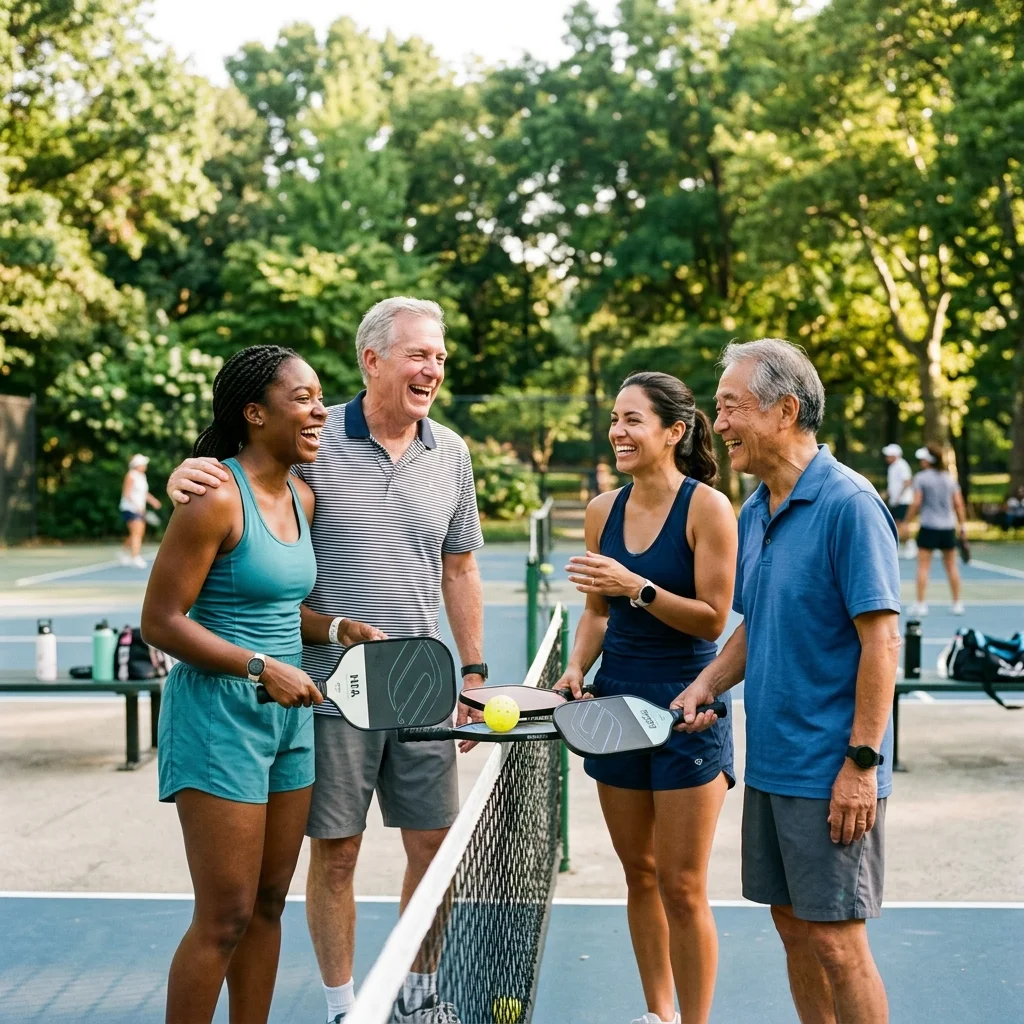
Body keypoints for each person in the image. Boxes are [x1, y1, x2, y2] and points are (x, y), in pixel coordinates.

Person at [166, 297, 485, 1024]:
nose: (432, 367)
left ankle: (418, 992)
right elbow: (238, 493)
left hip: (419, 684)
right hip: (322, 693)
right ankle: (345, 1008)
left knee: (434, 849)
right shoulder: (311, 438)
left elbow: (459, 567)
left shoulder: (453, 455)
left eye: (438, 355)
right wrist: (184, 474)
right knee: (333, 854)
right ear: (372, 360)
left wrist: (470, 671)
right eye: (417, 354)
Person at [672, 339, 901, 1024]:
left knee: (837, 942)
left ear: (786, 410)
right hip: (771, 767)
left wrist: (861, 763)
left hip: (830, 771)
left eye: (731, 407)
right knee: (792, 927)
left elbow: (881, 642)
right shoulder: (754, 511)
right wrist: (707, 681)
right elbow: (756, 623)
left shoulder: (849, 505)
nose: (721, 425)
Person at [142, 345, 332, 1024]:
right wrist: (258, 667)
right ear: (255, 413)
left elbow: (278, 608)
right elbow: (160, 623)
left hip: (289, 720)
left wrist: (336, 630)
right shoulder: (213, 497)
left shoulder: (302, 494)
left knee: (269, 904)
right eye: (303, 398)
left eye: (320, 397)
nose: (319, 411)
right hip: (219, 718)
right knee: (222, 917)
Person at [555, 371, 737, 1024]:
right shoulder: (602, 510)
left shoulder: (709, 509)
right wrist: (577, 667)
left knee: (684, 888)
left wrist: (637, 586)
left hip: (689, 707)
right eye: (613, 418)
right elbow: (596, 615)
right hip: (613, 705)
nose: (617, 431)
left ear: (675, 431)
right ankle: (658, 1015)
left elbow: (714, 619)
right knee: (641, 875)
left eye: (633, 419)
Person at [906, 443, 968, 617]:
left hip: (929, 527)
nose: (921, 461)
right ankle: (957, 604)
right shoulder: (950, 478)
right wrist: (962, 526)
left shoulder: (921, 478)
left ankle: (920, 604)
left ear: (929, 460)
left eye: (923, 459)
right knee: (952, 567)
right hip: (948, 528)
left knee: (923, 567)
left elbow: (917, 502)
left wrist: (906, 520)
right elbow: (958, 504)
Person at [119, 453, 161, 567]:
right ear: (138, 465)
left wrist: (153, 501)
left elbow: (144, 493)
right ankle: (135, 557)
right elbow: (127, 494)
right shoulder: (130, 475)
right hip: (130, 509)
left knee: (137, 533)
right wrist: (137, 507)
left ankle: (123, 552)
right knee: (137, 533)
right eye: (143, 464)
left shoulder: (142, 476)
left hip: (139, 509)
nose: (145, 466)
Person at [881, 443, 915, 558]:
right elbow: (892, 486)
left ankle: (911, 546)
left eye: (888, 455)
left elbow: (907, 482)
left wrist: (899, 497)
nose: (886, 457)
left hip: (903, 501)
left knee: (902, 524)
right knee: (896, 524)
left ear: (894, 455)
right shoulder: (893, 467)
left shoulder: (902, 465)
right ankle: (899, 545)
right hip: (896, 501)